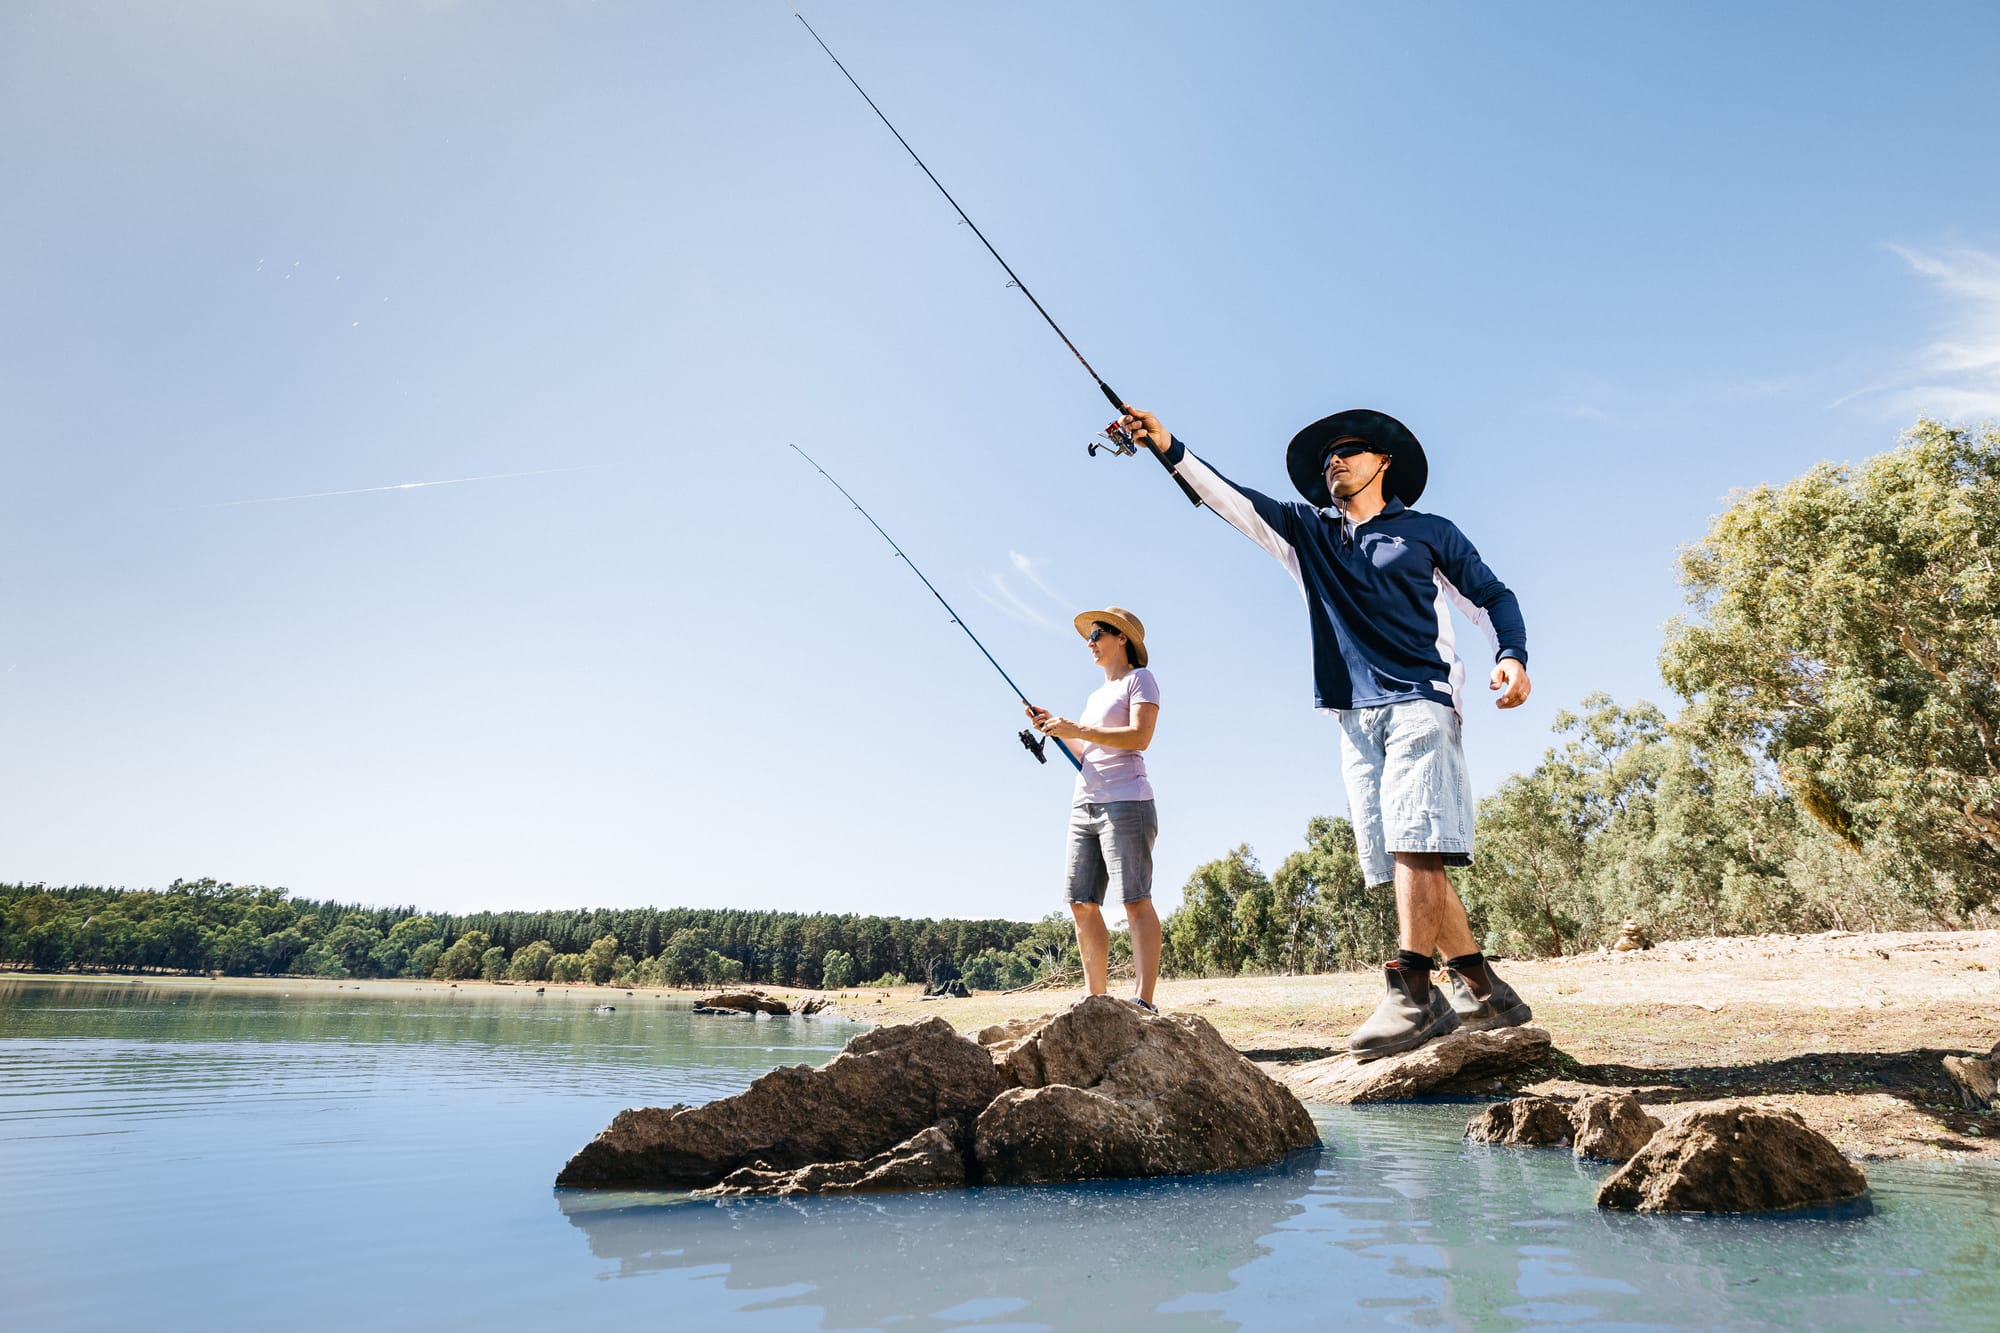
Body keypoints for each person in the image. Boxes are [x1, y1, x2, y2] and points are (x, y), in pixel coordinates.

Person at [1114, 406, 1533, 1056]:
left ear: (1383, 460)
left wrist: (1511, 655)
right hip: (1352, 715)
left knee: (1416, 841)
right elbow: (1231, 501)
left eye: (1350, 449)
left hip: (1422, 698)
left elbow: (1491, 596)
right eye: (1327, 456)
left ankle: (1415, 994)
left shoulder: (1427, 532)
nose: (1334, 460)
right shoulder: (1310, 535)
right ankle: (1483, 988)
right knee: (1401, 850)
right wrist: (1166, 445)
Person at [1026, 607, 1163, 1012]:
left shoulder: (1140, 680)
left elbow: (1140, 737)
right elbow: (1085, 752)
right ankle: (1095, 999)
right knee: (1080, 901)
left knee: (1135, 900)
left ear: (1122, 638)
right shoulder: (1094, 697)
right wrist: (1054, 728)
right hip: (1084, 805)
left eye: (1098, 633)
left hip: (1126, 801)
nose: (1090, 642)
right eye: (1088, 636)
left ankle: (1143, 1002)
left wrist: (1078, 730)